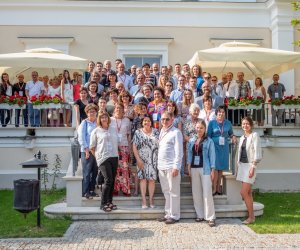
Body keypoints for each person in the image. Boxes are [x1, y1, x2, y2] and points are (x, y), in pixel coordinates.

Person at [187, 120, 216, 227]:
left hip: (206, 169)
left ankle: (210, 217)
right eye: (197, 127)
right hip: (194, 169)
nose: (199, 130)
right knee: (196, 193)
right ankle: (200, 215)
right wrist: (188, 167)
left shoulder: (209, 141)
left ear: (205, 129)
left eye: (201, 128)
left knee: (207, 193)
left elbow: (212, 156)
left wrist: (213, 170)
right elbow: (189, 155)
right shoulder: (192, 141)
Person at [156, 111, 183, 224]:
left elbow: (179, 151)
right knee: (166, 191)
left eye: (167, 119)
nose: (165, 121)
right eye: (163, 119)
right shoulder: (161, 131)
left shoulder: (176, 132)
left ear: (172, 120)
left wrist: (176, 167)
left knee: (174, 192)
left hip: (171, 167)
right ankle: (168, 214)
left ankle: (175, 215)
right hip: (161, 166)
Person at [90, 111, 119, 212]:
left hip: (114, 156)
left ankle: (109, 202)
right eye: (102, 118)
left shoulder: (113, 129)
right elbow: (92, 147)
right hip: (103, 158)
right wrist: (98, 158)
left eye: (105, 117)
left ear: (108, 118)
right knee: (108, 180)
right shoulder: (96, 131)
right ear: (99, 119)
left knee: (112, 181)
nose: (104, 119)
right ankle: (103, 204)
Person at [236, 117, 262, 224]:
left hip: (250, 166)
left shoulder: (254, 136)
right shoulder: (242, 137)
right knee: (248, 192)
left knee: (243, 192)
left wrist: (253, 167)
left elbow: (257, 152)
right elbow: (239, 154)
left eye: (247, 123)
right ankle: (251, 216)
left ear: (251, 125)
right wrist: (238, 168)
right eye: (243, 124)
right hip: (242, 166)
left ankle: (251, 217)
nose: (245, 125)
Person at [207, 105, 237, 195]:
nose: (221, 113)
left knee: (221, 169)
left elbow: (231, 133)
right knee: (215, 168)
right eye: (219, 112)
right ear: (216, 113)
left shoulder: (228, 123)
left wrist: (234, 137)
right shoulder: (212, 123)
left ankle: (218, 188)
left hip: (224, 147)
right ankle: (214, 187)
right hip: (214, 147)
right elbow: (208, 136)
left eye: (223, 112)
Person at [132, 115, 159, 209]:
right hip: (141, 160)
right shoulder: (137, 132)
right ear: (142, 123)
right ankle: (143, 200)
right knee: (143, 179)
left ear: (151, 122)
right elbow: (134, 147)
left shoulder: (156, 131)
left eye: (148, 121)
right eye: (145, 121)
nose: (147, 122)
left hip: (153, 159)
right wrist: (138, 159)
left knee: (152, 180)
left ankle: (151, 199)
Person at [78, 103, 99, 199]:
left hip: (97, 151)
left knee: (95, 171)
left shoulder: (98, 123)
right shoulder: (84, 123)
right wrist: (86, 150)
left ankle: (91, 190)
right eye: (90, 111)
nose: (92, 113)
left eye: (94, 111)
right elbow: (81, 138)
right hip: (87, 151)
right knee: (87, 172)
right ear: (87, 113)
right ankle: (85, 192)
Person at [111, 103, 132, 196]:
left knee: (124, 168)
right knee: (114, 168)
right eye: (117, 108)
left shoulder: (127, 120)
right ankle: (115, 188)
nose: (118, 110)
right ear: (114, 109)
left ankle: (125, 189)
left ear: (123, 110)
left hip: (124, 146)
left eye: (120, 108)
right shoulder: (110, 120)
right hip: (113, 146)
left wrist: (130, 149)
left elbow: (129, 135)